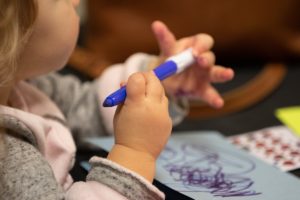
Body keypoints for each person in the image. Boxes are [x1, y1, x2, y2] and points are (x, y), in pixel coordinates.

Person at [0, 0, 234, 199]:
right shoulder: (9, 163)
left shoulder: (22, 85)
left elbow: (83, 108)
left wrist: (152, 81)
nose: (76, 1)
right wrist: (135, 152)